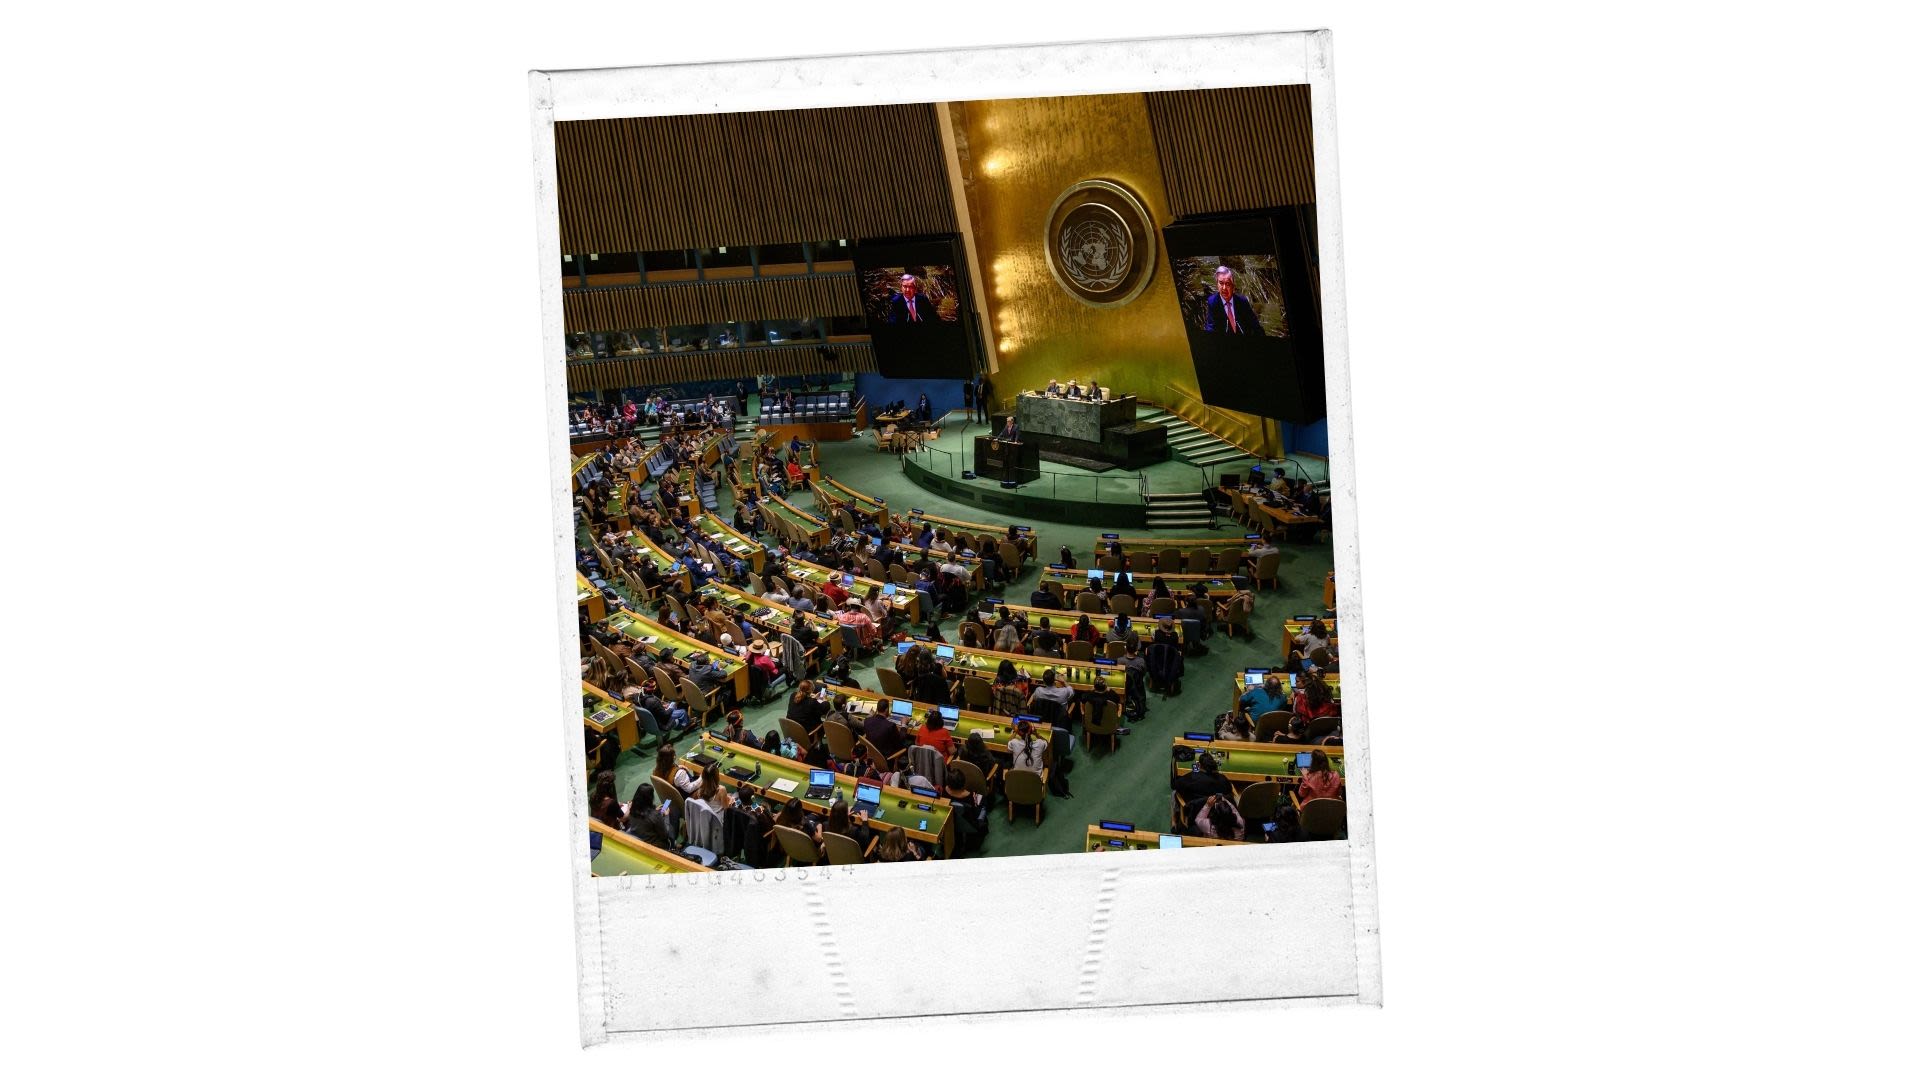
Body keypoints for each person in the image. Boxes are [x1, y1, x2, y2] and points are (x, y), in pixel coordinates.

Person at [1203, 265, 1264, 335]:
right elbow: (1210, 327)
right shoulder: (1213, 301)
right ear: (1217, 284)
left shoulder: (1242, 301)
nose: (1224, 288)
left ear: (1233, 286)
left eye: (1228, 284)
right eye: (1221, 283)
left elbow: (1255, 325)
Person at [944, 771, 989, 855]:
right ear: (963, 783)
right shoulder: (972, 796)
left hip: (951, 823)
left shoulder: (944, 792)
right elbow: (979, 810)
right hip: (971, 824)